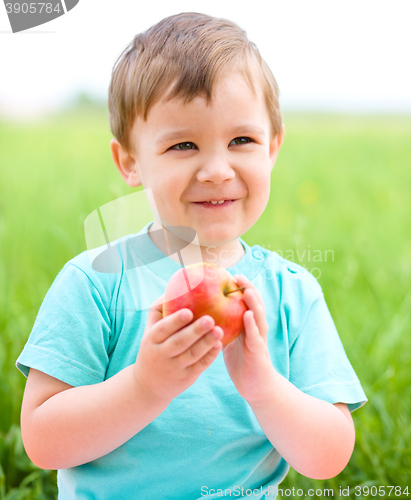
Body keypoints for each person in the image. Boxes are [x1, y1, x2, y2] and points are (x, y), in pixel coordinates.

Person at [16, 12, 367, 499]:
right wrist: (145, 386)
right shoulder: (96, 282)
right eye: (184, 144)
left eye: (241, 140)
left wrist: (265, 388)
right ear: (130, 162)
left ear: (273, 147)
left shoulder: (291, 293)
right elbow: (42, 442)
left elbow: (328, 459)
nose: (218, 170)